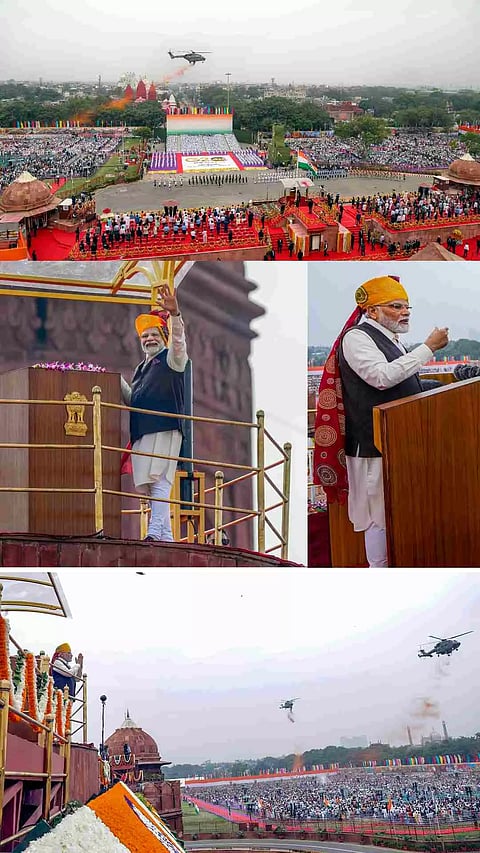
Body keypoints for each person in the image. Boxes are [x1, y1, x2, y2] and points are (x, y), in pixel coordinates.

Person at [314, 275, 449, 568]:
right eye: (396, 306)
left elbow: (406, 383)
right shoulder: (357, 338)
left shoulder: (392, 340)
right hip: (372, 444)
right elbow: (382, 378)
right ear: (372, 311)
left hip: (399, 441)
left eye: (407, 307)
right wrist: (427, 348)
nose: (405, 312)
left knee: (398, 513)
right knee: (378, 517)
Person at [122, 285, 188, 542]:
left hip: (164, 428)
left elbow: (179, 343)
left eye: (153, 334)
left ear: (163, 335)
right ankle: (166, 537)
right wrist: (113, 381)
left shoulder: (171, 360)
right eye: (144, 336)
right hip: (143, 431)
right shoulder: (141, 369)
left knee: (159, 480)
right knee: (151, 486)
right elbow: (134, 401)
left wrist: (175, 314)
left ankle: (153, 533)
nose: (148, 339)